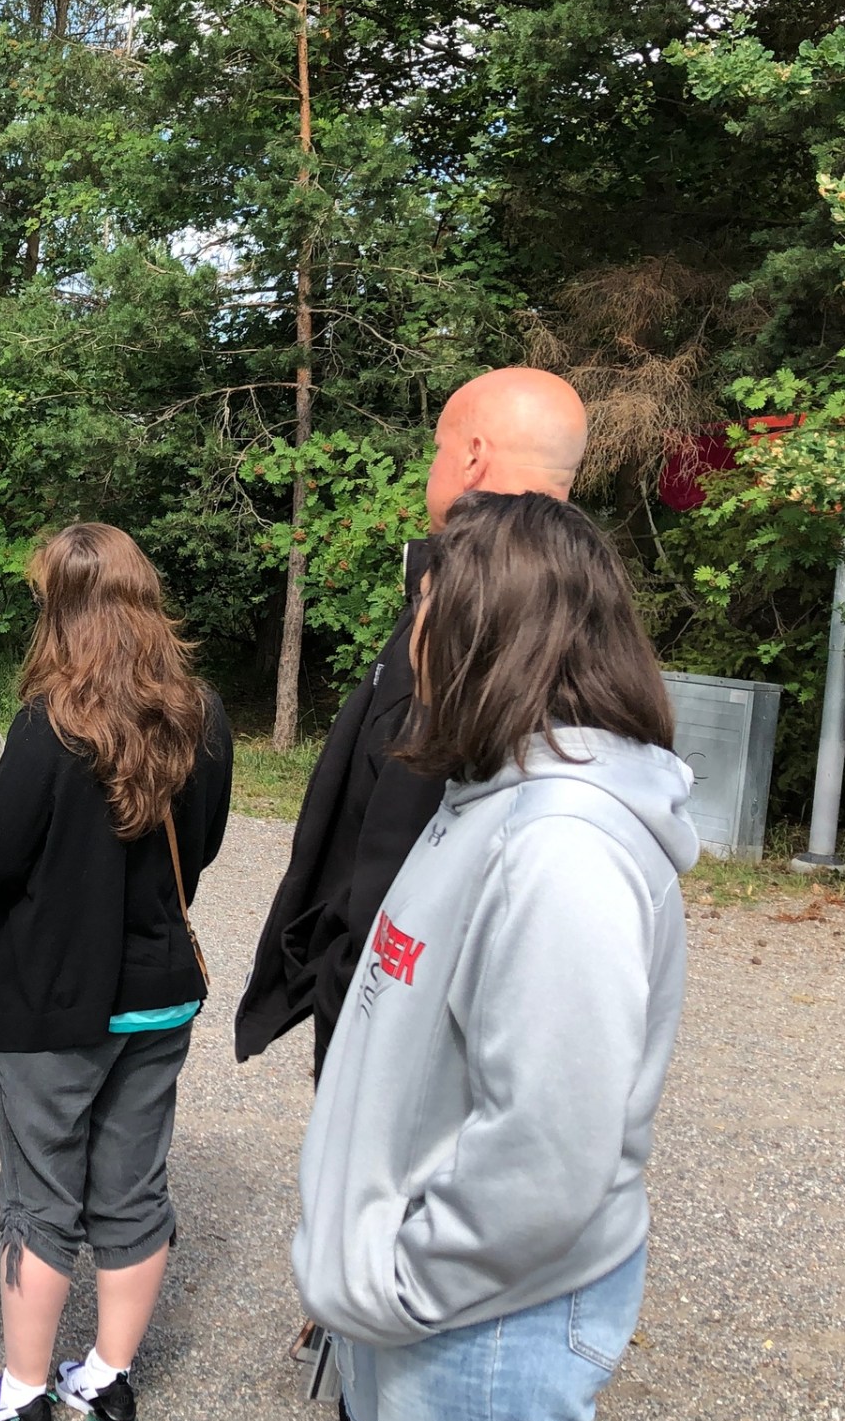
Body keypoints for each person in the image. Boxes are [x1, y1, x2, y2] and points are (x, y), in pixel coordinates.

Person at [295, 492, 697, 1421]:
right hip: (438, 1311)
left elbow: (548, 1147)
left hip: (479, 1320)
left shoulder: (562, 851)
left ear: (478, 630)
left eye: (422, 611)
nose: (408, 640)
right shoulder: (489, 801)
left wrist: (396, 1280)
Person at [0, 523, 233, 1421]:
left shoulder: (51, 723)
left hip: (54, 1003)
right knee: (134, 1190)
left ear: (60, 609)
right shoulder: (201, 714)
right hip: (159, 997)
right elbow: (209, 844)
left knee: (40, 1197)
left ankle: (25, 1400)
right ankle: (109, 1383)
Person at [236, 368, 589, 1082]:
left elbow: (404, 821)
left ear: (472, 457)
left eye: (437, 447)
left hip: (396, 1005)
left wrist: (345, 971)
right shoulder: (579, 609)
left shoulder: (473, 619)